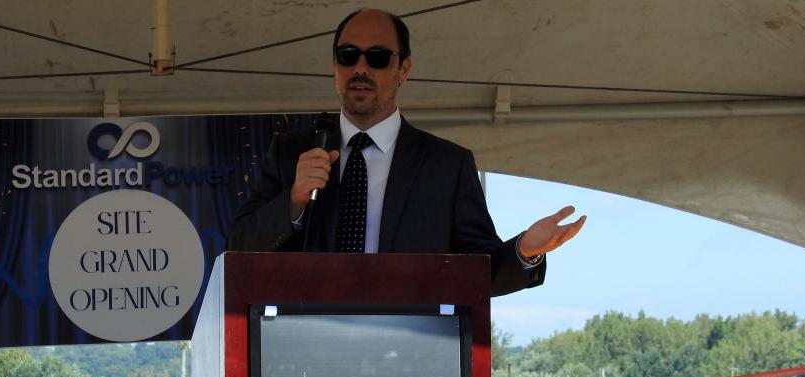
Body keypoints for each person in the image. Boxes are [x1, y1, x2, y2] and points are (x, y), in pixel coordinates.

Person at [227, 8, 585, 295]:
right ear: (334, 67)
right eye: (348, 56)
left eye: (378, 58)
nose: (361, 68)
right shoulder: (292, 153)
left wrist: (523, 250)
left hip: (408, 357)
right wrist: (293, 200)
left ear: (404, 69)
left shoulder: (446, 165)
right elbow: (238, 248)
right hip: (303, 351)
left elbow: (479, 269)